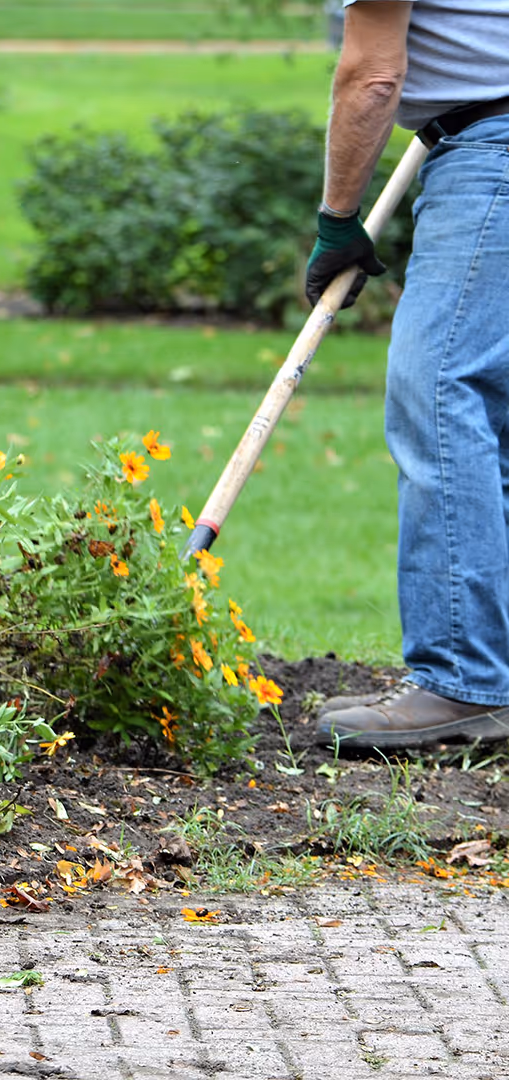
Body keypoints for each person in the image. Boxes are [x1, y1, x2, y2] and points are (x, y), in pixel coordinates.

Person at [308, 0, 509, 750]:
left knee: (441, 389)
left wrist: (337, 222)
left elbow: (370, 76)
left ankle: (462, 681)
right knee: (494, 415)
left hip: (496, 150)